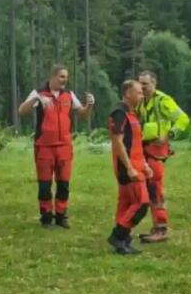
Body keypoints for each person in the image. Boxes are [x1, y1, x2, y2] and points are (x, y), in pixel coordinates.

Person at [18, 65, 94, 228]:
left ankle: (61, 215)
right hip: (44, 146)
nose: (64, 80)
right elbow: (21, 111)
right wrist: (35, 99)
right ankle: (46, 216)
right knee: (45, 184)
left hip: (64, 146)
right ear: (52, 77)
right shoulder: (39, 93)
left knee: (63, 183)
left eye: (66, 77)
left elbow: (82, 115)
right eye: (61, 76)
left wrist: (89, 105)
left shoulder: (69, 95)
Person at [136, 71, 190, 243]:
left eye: (145, 84)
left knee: (155, 188)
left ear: (154, 83)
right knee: (146, 188)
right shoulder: (140, 101)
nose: (142, 87)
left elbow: (183, 119)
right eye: (140, 83)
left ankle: (161, 228)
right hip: (144, 148)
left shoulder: (163, 100)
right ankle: (156, 226)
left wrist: (169, 135)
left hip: (157, 150)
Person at [108, 80, 153, 256]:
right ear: (128, 93)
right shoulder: (119, 113)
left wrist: (145, 165)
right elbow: (117, 143)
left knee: (126, 204)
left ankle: (123, 242)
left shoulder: (133, 115)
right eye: (139, 92)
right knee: (141, 203)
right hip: (127, 167)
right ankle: (118, 236)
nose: (142, 95)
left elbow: (136, 145)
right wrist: (129, 168)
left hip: (136, 165)